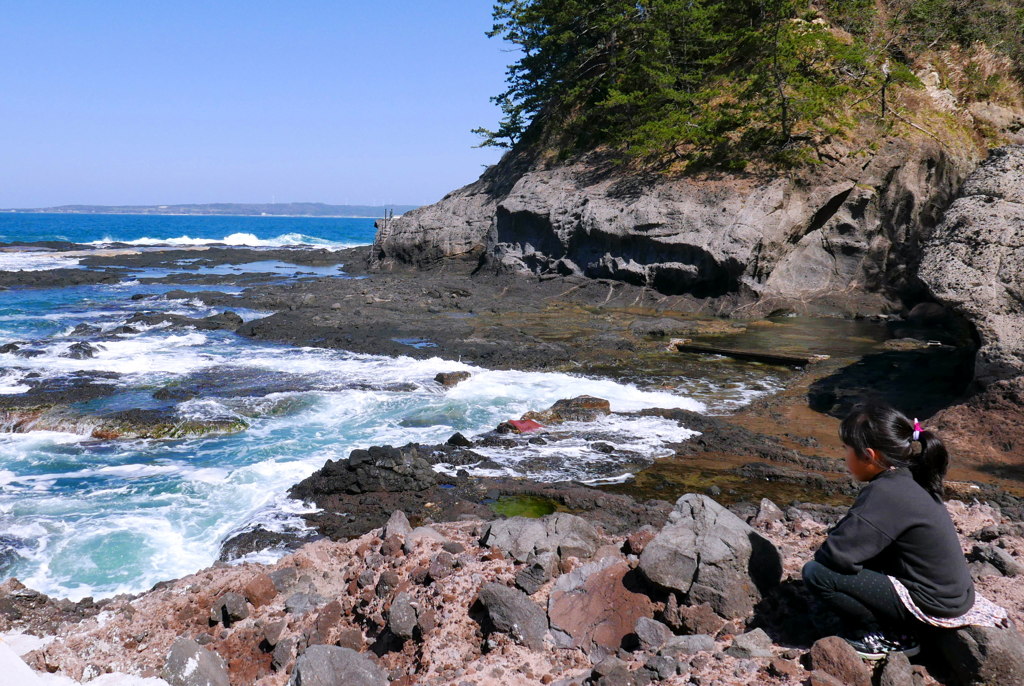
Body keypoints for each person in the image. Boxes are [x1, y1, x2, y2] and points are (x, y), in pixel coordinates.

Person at [802, 401, 1007, 660]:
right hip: (954, 594)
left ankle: (894, 637)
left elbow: (835, 556)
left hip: (934, 603)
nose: (844, 457)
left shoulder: (886, 492)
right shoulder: (913, 476)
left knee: (817, 574)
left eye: (846, 450)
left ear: (869, 455)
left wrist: (839, 541)